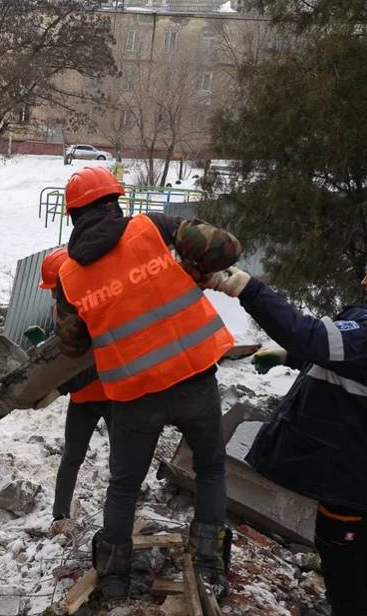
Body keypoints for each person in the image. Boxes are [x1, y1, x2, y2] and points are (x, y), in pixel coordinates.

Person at [207, 242, 367, 616]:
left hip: (356, 468)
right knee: (362, 544)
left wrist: (250, 290)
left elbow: (318, 339)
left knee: (340, 550)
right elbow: (349, 359)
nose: (365, 280)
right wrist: (291, 355)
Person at [53, 166, 241, 598]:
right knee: (210, 469)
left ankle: (115, 579)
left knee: (123, 485)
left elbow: (72, 344)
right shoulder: (150, 228)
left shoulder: (68, 276)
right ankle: (210, 568)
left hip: (135, 395)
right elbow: (226, 247)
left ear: (73, 216)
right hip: (194, 378)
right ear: (115, 202)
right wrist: (195, 268)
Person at [38, 247, 113, 534]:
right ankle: (59, 515)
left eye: (54, 289)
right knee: (72, 455)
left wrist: (59, 385)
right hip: (84, 399)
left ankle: (117, 517)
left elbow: (94, 357)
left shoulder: (99, 304)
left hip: (111, 393)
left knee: (121, 461)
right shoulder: (61, 308)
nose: (52, 295)